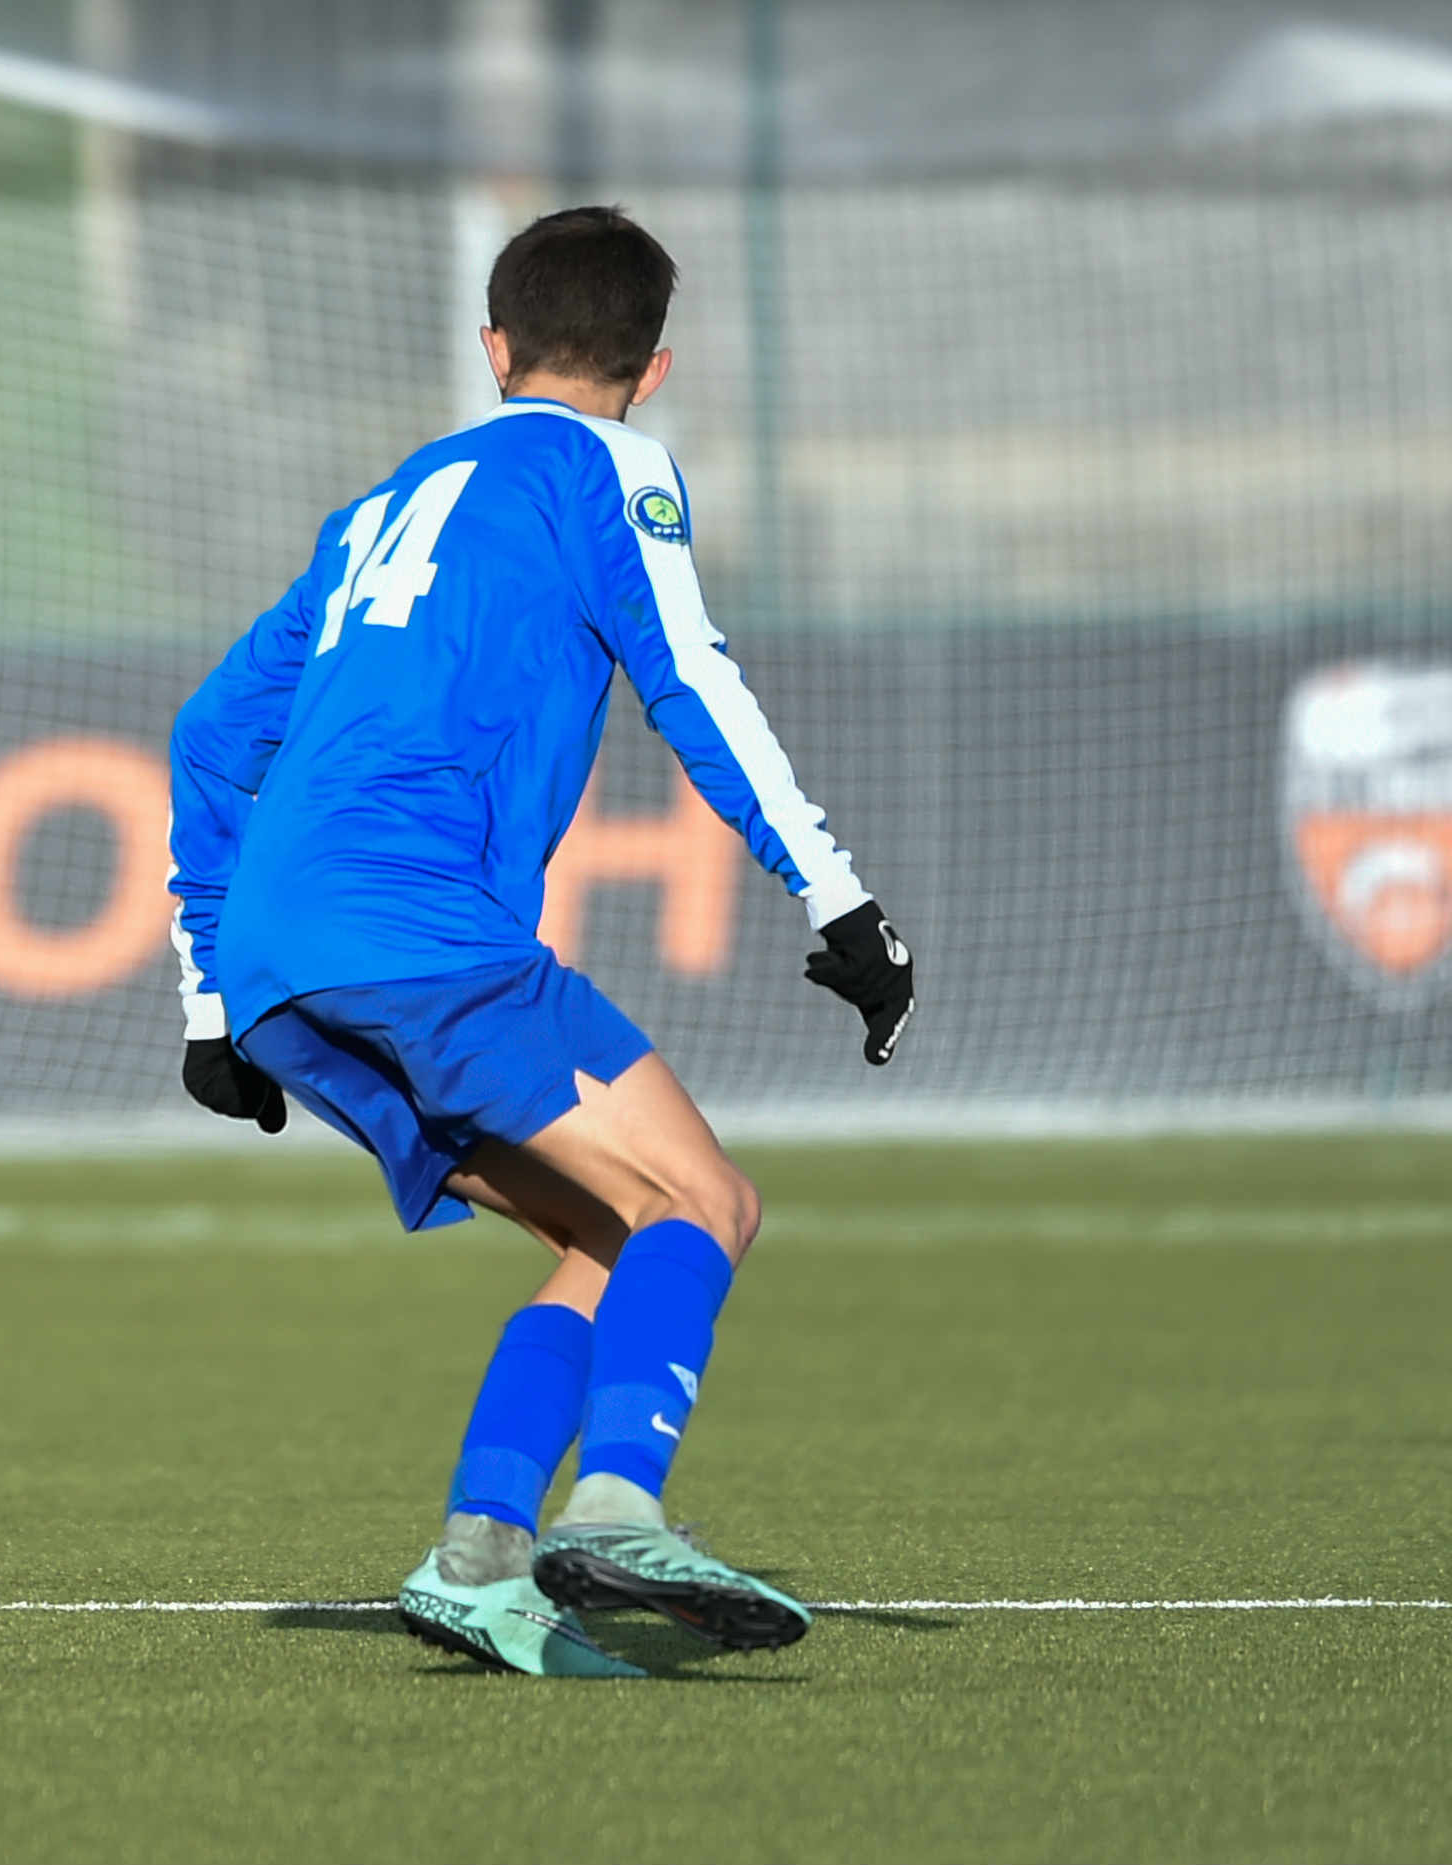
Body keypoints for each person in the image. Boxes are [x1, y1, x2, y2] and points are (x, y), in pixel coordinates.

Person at [166, 206, 916, 1677]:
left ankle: (480, 1553)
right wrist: (836, 896)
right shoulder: (614, 467)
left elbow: (208, 733)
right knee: (706, 1202)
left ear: (493, 347)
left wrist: (206, 997)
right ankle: (618, 1507)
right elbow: (691, 678)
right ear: (658, 367)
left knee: (608, 1234)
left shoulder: (388, 497)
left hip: (278, 957)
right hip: (419, 928)